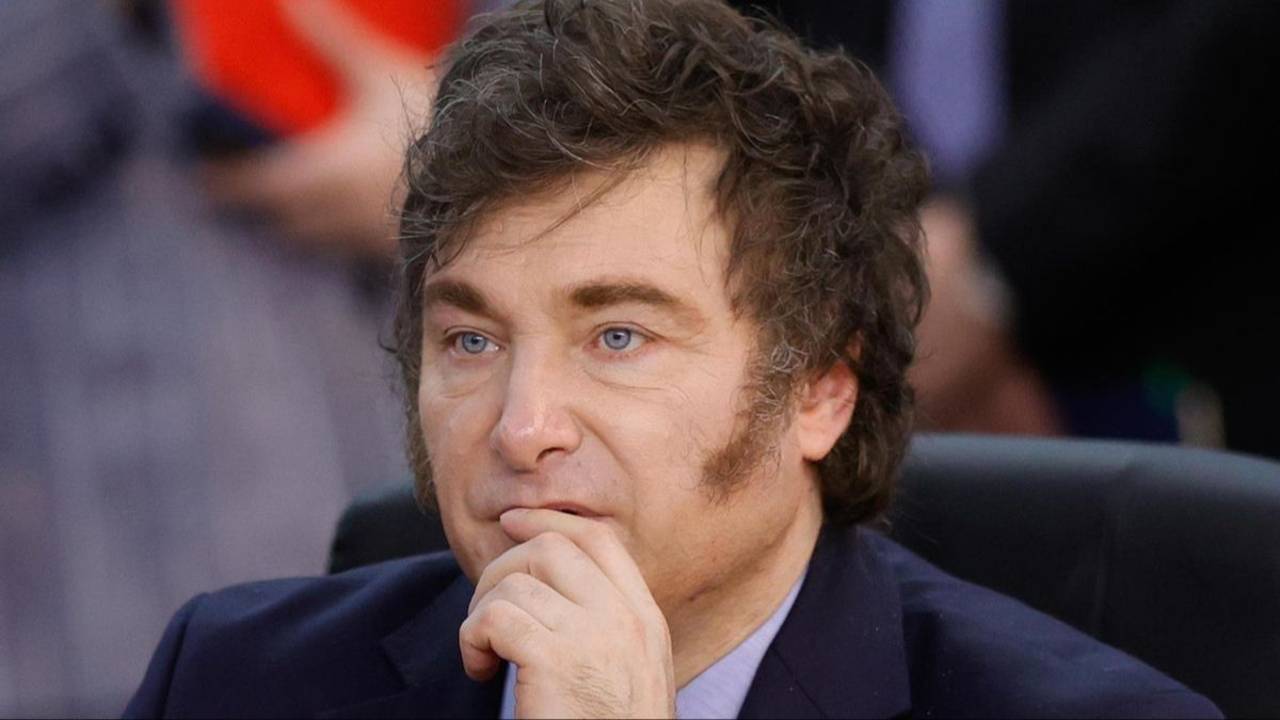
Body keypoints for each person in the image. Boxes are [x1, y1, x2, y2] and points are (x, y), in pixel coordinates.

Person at [124, 1, 1221, 717]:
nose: (521, 427)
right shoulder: (233, 677)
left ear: (820, 389)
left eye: (618, 337)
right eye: (472, 340)